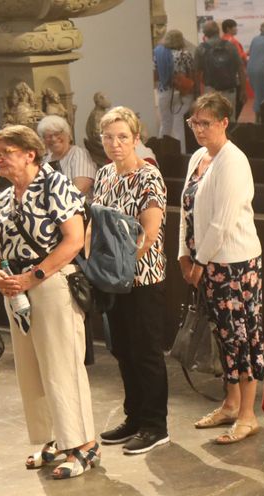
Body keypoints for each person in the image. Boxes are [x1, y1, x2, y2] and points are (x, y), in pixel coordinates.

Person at [0, 125, 96, 479]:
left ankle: (83, 445)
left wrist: (33, 276)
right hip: (14, 291)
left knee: (62, 367)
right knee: (31, 371)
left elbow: (74, 240)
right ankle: (54, 439)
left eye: (6, 152)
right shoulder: (4, 197)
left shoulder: (55, 185)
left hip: (51, 284)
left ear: (29, 154)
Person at [178, 93, 264, 444]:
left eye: (206, 123)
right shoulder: (199, 157)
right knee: (222, 337)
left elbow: (222, 221)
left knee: (242, 338)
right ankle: (229, 404)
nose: (198, 130)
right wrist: (184, 254)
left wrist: (200, 261)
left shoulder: (234, 160)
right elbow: (186, 208)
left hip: (234, 262)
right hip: (206, 261)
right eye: (194, 123)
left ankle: (247, 415)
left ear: (224, 122)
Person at [92, 107, 169, 456]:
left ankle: (155, 425)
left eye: (123, 137)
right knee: (122, 350)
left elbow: (148, 234)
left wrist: (121, 267)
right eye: (109, 137)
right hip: (112, 280)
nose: (115, 143)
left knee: (146, 352)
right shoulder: (105, 173)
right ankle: (134, 417)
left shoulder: (148, 176)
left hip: (142, 278)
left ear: (136, 139)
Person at [155, 29, 195, 148]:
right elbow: (191, 74)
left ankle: (163, 149)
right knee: (179, 125)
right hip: (183, 93)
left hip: (164, 92)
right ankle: (181, 151)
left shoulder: (157, 53)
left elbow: (155, 75)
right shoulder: (185, 54)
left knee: (165, 123)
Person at [36, 115, 95, 195]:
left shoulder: (78, 154)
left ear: (67, 134)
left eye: (57, 133)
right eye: (48, 136)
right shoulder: (45, 160)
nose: (53, 139)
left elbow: (81, 189)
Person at [196, 21, 243, 119]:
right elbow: (240, 68)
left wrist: (196, 92)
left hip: (210, 90)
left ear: (205, 33)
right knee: (229, 119)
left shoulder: (201, 49)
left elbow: (197, 72)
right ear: (218, 31)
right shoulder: (230, 46)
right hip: (229, 90)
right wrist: (243, 90)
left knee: (212, 118)